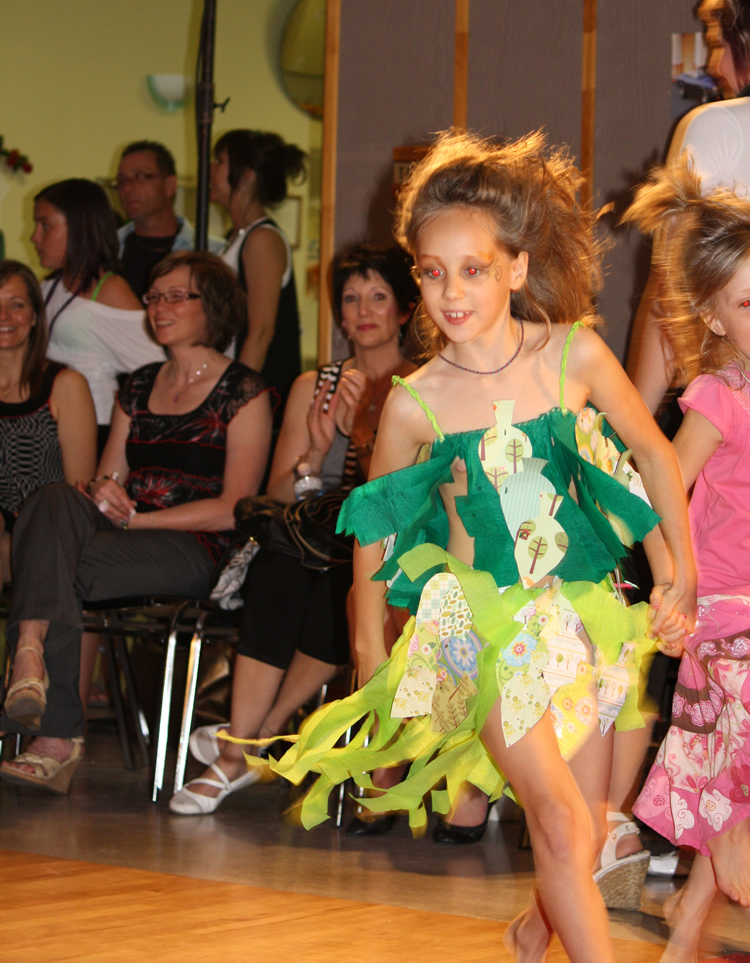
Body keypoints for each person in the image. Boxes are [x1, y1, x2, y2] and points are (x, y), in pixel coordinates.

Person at [243, 131, 696, 963]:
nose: (449, 290)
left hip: (585, 616)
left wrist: (683, 574)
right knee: (558, 821)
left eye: (474, 268)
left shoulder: (575, 355)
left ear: (517, 269)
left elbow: (653, 457)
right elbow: (372, 541)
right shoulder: (416, 402)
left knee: (580, 838)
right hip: (477, 630)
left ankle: (532, 930)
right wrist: (373, 650)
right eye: (432, 270)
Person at [0, 252, 272, 794]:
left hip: (197, 548)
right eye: (154, 297)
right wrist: (106, 494)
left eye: (175, 296)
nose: (158, 307)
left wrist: (140, 521)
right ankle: (31, 653)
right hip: (122, 536)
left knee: (46, 557)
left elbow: (234, 506)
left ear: (212, 304)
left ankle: (54, 733)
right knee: (54, 500)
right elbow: (106, 481)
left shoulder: (245, 391)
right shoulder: (139, 383)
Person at [169, 242, 418, 815]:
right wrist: (315, 449)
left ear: (405, 309)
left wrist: (360, 436)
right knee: (277, 572)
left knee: (347, 587)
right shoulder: (317, 383)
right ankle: (252, 744)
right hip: (310, 530)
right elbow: (278, 491)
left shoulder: (424, 382)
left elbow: (404, 492)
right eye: (351, 298)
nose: (364, 310)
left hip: (383, 538)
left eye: (379, 296)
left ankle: (249, 745)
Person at [627, 160, 750, 960]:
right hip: (727, 614)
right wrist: (675, 579)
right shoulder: (720, 398)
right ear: (711, 316)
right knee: (734, 773)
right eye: (748, 301)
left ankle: (689, 929)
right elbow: (655, 481)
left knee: (733, 779)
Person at [629, 0, 750, 414]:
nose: (716, 64)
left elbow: (669, 296)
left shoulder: (716, 125)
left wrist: (629, 435)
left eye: (721, 44)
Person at [32, 178, 164, 454]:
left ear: (79, 228)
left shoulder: (110, 290)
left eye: (45, 225)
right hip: (49, 424)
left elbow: (158, 368)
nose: (34, 237)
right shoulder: (48, 286)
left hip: (95, 428)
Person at [0, 260, 96, 583]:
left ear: (35, 316)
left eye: (16, 305)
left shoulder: (66, 385)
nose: (4, 317)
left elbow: (78, 495)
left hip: (51, 533)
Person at [211, 129, 305, 417]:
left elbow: (261, 333)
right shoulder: (237, 237)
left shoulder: (262, 239)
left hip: (256, 402)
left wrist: (231, 405)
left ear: (246, 175)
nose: (211, 170)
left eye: (220, 161)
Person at [114, 141, 194, 299]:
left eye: (140, 177)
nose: (127, 188)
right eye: (122, 180)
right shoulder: (109, 249)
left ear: (169, 185)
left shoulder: (208, 250)